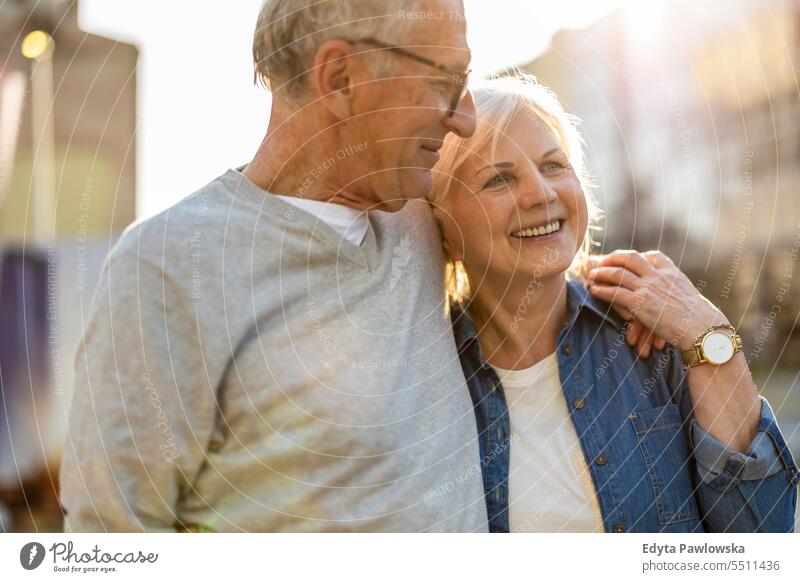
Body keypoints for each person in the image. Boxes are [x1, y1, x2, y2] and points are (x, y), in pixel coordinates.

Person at [59, 0, 489, 532]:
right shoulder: (165, 268)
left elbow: (542, 266)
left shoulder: (426, 212)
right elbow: (112, 535)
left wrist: (619, 302)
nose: (466, 119)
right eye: (447, 80)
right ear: (341, 77)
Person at [429, 75, 799, 532]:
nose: (542, 194)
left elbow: (761, 536)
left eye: (553, 166)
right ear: (443, 226)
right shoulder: (424, 379)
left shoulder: (656, 335)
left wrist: (708, 334)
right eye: (499, 179)